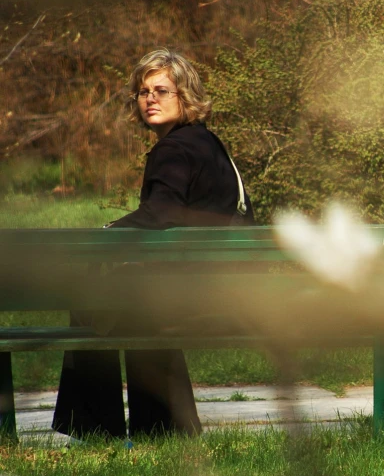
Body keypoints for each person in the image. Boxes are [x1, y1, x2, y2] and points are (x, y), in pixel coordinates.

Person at [52, 49, 256, 439]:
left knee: (93, 301)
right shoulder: (209, 144)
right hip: (223, 291)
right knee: (131, 307)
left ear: (186, 95)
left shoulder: (174, 149)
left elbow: (162, 213)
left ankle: (95, 429)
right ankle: (165, 429)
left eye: (162, 90)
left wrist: (108, 233)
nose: (150, 99)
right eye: (143, 92)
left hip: (191, 297)